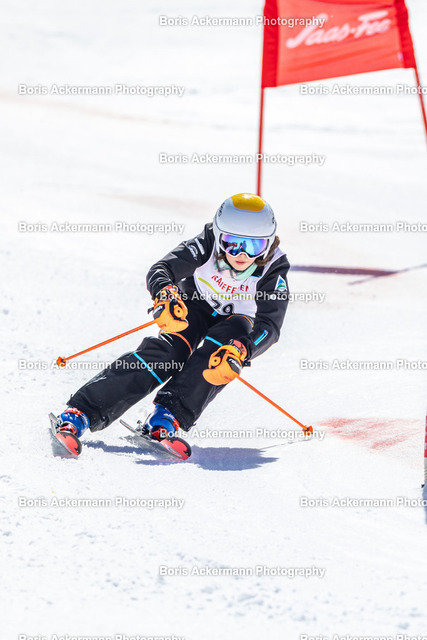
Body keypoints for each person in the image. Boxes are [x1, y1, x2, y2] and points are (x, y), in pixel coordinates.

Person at [54, 193, 290, 458]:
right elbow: (163, 269)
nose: (241, 254)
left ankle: (167, 416)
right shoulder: (208, 242)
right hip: (196, 301)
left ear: (268, 243)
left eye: (254, 246)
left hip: (238, 318)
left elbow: (270, 325)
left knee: (218, 358)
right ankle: (81, 412)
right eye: (232, 243)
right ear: (219, 234)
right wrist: (165, 293)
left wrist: (244, 349)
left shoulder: (273, 267)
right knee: (168, 353)